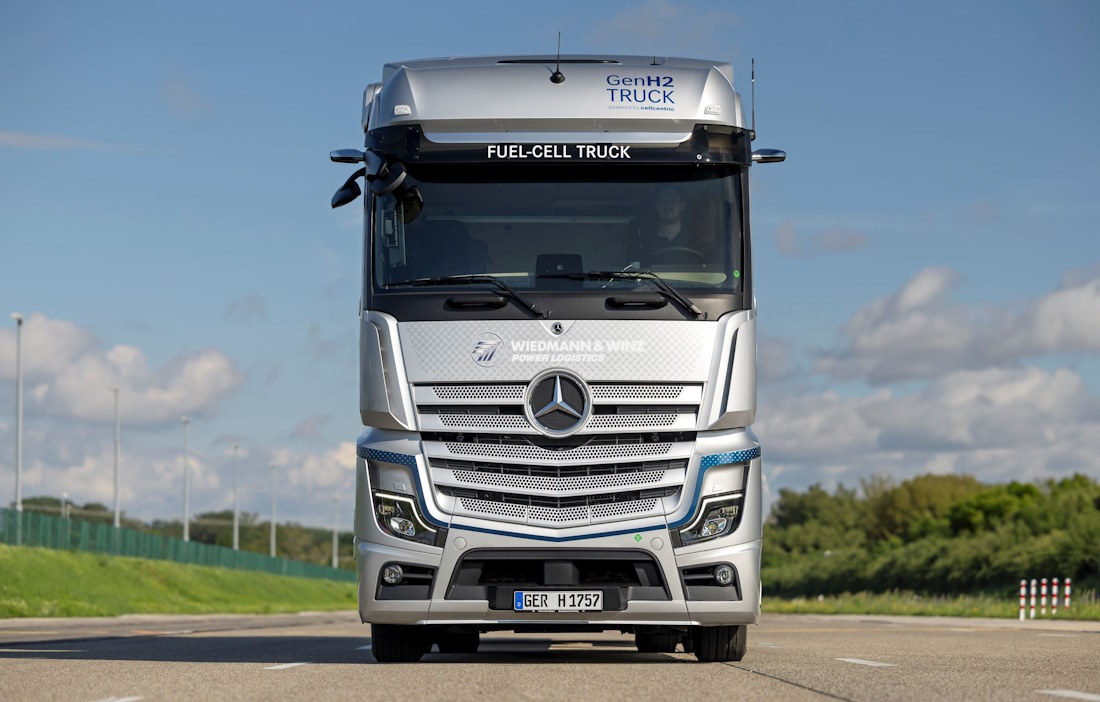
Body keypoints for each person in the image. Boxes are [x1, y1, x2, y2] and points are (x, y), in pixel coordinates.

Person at [627, 186, 713, 265]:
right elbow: (634, 273)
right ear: (656, 206)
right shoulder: (643, 243)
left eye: (673, 199)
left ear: (682, 206)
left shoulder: (695, 239)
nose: (668, 204)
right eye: (662, 200)